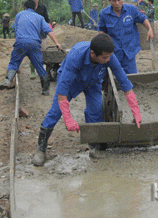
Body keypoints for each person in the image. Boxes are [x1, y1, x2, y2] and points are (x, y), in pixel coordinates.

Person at [33, 33, 142, 166]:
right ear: (92, 54)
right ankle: (41, 149)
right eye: (105, 57)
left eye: (109, 56)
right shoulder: (76, 57)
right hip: (73, 82)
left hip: (93, 82)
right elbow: (62, 92)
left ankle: (94, 147)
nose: (108, 59)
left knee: (95, 110)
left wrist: (135, 111)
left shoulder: (109, 57)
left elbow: (124, 82)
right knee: (56, 111)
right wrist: (68, 119)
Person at [0, 0, 62, 95]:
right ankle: (45, 90)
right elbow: (49, 31)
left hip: (21, 42)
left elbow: (15, 28)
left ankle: (7, 81)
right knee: (39, 65)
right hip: (34, 44)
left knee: (14, 62)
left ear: (25, 8)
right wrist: (57, 43)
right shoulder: (39, 17)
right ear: (35, 8)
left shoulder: (19, 15)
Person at [98, 0, 154, 74]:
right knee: (113, 77)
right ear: (109, 0)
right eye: (114, 1)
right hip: (113, 52)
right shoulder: (104, 14)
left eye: (119, 0)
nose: (117, 3)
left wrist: (149, 29)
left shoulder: (131, 10)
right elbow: (101, 31)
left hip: (129, 51)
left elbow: (143, 19)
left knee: (132, 77)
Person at [29, 0, 51, 79]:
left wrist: (49, 29)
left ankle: (41, 69)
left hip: (42, 33)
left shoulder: (43, 7)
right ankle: (32, 71)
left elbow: (46, 19)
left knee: (42, 52)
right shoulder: (28, 8)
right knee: (32, 51)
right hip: (32, 33)